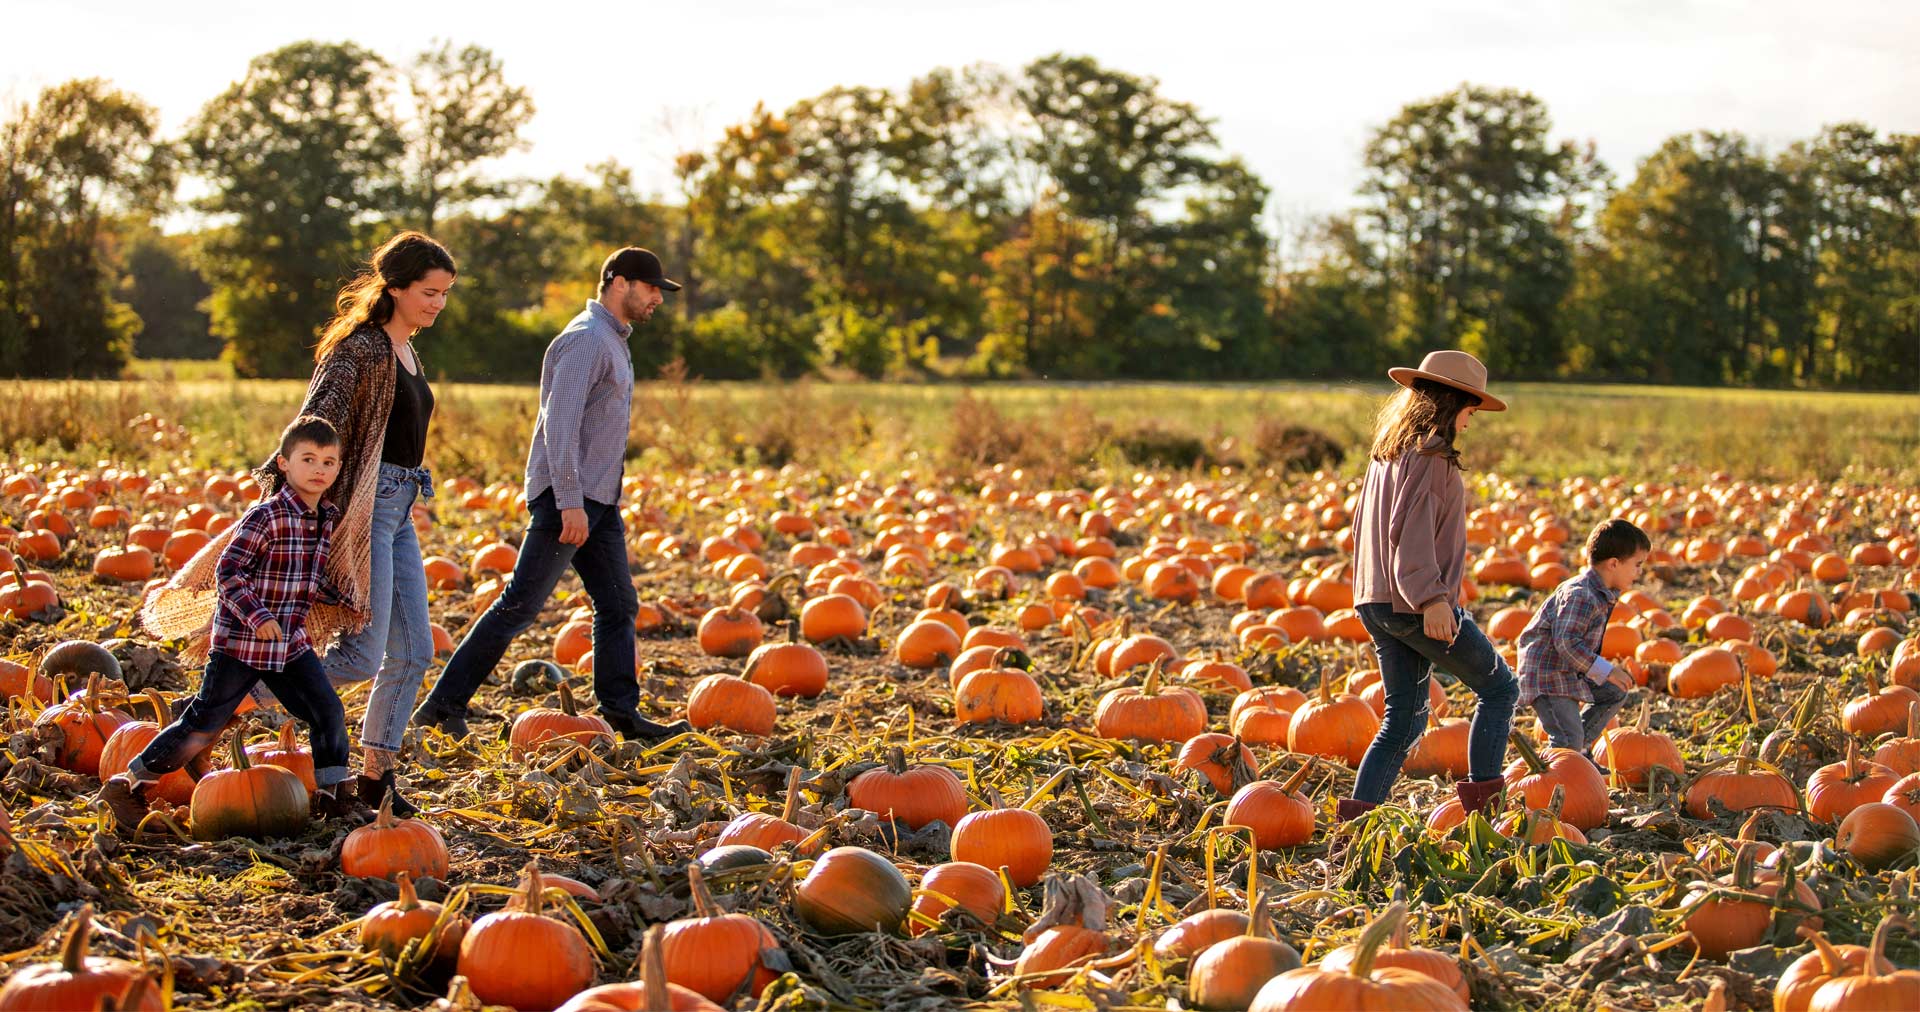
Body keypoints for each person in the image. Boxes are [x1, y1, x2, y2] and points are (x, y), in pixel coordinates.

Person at [144, 231, 457, 818]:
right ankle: (229, 700)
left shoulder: (410, 348)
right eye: (428, 292)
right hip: (359, 514)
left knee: (414, 652)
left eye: (444, 294)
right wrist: (302, 505)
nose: (438, 304)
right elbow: (316, 426)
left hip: (398, 509)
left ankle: (374, 779)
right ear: (394, 287)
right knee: (364, 656)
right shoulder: (360, 350)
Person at [411, 248, 692, 743]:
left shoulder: (611, 338)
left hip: (597, 500)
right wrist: (569, 502)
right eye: (651, 289)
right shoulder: (587, 340)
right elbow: (557, 427)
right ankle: (441, 707)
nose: (657, 300)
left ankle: (621, 714)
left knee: (619, 604)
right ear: (620, 282)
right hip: (573, 499)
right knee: (518, 605)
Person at [103, 417, 361, 831]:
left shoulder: (325, 517)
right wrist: (257, 617)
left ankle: (333, 796)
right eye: (308, 459)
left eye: (329, 462)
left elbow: (304, 577)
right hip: (241, 644)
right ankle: (126, 785)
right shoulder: (268, 516)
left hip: (288, 644)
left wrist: (341, 600)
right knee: (202, 725)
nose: (319, 470)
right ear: (283, 464)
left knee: (327, 710)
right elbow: (230, 572)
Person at [1341, 350, 1520, 826]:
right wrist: (1433, 600)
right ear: (1451, 402)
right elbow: (1412, 536)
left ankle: (1355, 831)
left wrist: (1379, 593)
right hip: (1414, 603)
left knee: (1403, 719)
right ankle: (1487, 817)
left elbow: (1364, 530)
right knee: (1500, 689)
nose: (1470, 422)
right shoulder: (1432, 457)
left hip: (1374, 599)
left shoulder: (1389, 454)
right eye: (1470, 410)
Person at [1518, 519, 1649, 762]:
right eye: (1637, 565)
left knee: (1613, 693)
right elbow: (1567, 643)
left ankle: (1578, 755)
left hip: (1570, 670)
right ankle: (1558, 769)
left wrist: (1605, 673)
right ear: (1614, 564)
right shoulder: (1581, 595)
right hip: (1549, 675)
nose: (1639, 572)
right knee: (1567, 736)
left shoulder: (1600, 592)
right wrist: (1606, 670)